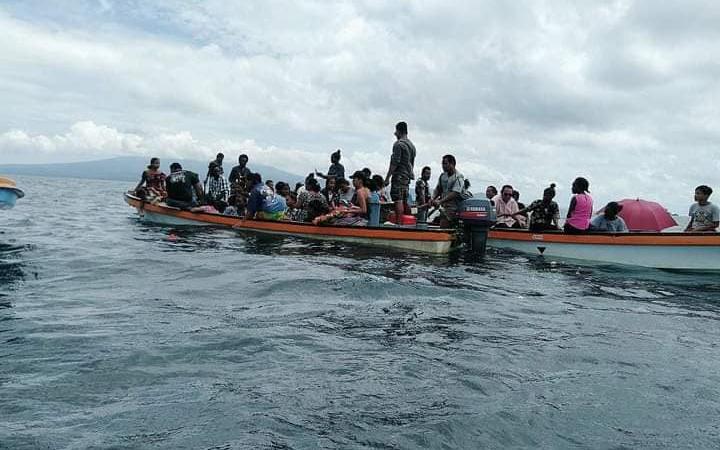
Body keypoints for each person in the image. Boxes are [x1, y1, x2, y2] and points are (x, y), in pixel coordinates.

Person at [385, 121, 416, 219]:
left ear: (399, 131)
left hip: (399, 176)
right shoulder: (412, 146)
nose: (395, 134)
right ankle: (409, 221)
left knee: (398, 200)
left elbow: (394, 163)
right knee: (404, 200)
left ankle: (399, 224)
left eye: (396, 131)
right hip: (407, 177)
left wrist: (387, 178)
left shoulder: (398, 144)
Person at [430, 154, 467, 227]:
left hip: (455, 207)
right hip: (444, 206)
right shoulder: (443, 176)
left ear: (452, 164)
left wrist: (440, 201)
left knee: (444, 223)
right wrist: (432, 198)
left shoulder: (458, 177)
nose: (443, 166)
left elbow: (455, 193)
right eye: (442, 164)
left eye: (445, 163)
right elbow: (438, 189)